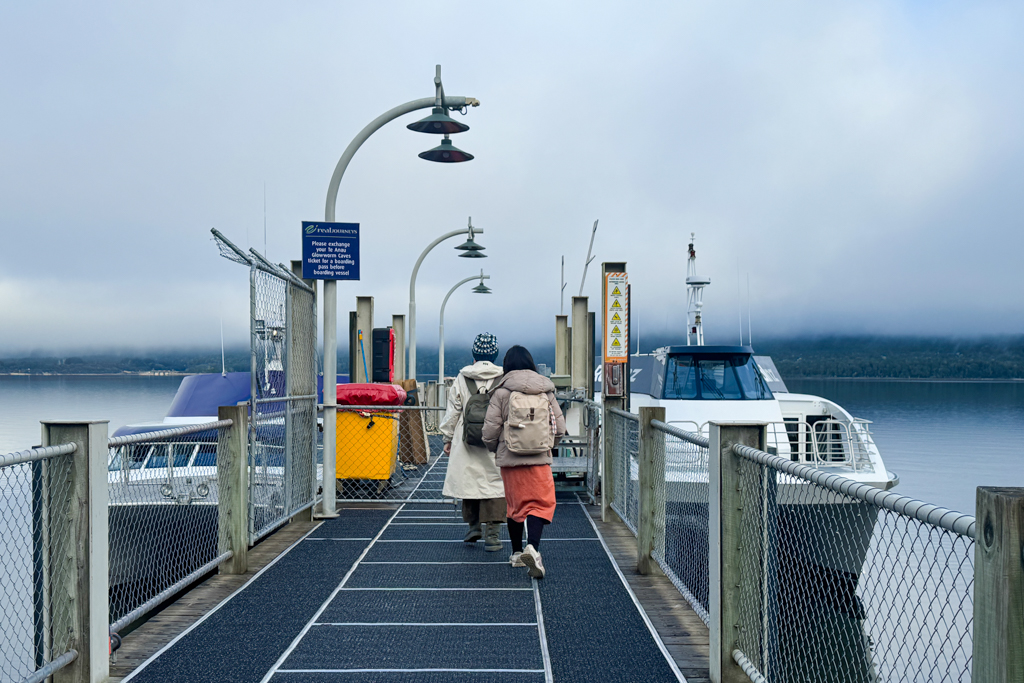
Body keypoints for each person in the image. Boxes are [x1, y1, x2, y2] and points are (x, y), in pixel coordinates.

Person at [482, 345, 565, 578]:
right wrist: (548, 445)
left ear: (506, 365)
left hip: (510, 458)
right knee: (541, 504)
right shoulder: (545, 391)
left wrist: (496, 449)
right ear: (531, 364)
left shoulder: (501, 391)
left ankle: (517, 553)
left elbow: (490, 431)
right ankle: (533, 549)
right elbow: (560, 428)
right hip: (539, 459)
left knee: (515, 506)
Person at [440, 333, 506, 551]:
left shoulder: (463, 377)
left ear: (474, 354)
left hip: (466, 436)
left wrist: (447, 438)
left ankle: (473, 526)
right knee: (495, 485)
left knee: (470, 481)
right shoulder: (503, 378)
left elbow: (453, 411)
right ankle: (493, 536)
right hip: (495, 438)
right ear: (495, 354)